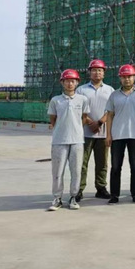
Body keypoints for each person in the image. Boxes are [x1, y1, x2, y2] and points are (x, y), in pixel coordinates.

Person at [104, 64, 135, 204]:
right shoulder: (114, 95)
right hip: (117, 135)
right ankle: (114, 195)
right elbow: (110, 115)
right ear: (120, 78)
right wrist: (108, 135)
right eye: (124, 77)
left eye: (129, 76)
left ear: (134, 77)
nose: (127, 79)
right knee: (115, 167)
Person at [47, 69, 90, 211]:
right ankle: (57, 198)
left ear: (77, 83)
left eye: (73, 81)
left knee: (76, 171)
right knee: (57, 171)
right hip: (59, 140)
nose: (70, 83)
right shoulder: (55, 100)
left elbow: (84, 118)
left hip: (77, 140)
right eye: (67, 81)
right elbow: (53, 119)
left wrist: (76, 129)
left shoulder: (82, 99)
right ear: (62, 82)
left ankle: (73, 197)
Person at [75, 59, 114, 202]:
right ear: (89, 72)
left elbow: (111, 110)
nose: (97, 72)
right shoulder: (81, 90)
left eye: (100, 70)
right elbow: (78, 109)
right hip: (84, 133)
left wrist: (100, 122)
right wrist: (90, 122)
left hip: (103, 133)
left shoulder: (110, 90)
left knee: (102, 163)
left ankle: (101, 187)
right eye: (94, 70)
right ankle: (78, 189)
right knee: (82, 162)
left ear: (104, 73)